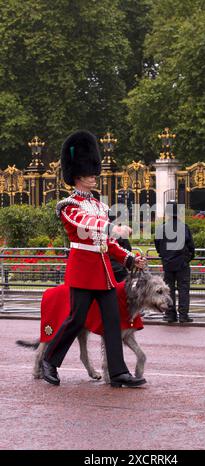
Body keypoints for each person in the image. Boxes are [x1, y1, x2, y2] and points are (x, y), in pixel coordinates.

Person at [42, 130, 147, 387]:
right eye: (89, 174)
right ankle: (50, 360)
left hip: (104, 273)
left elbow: (108, 245)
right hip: (82, 271)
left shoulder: (101, 206)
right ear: (77, 176)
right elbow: (84, 226)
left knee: (112, 321)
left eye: (93, 172)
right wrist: (113, 228)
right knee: (76, 320)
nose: (93, 177)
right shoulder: (68, 206)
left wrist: (131, 258)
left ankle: (118, 372)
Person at [154, 200, 195, 323]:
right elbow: (191, 247)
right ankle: (183, 315)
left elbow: (158, 245)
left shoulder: (161, 228)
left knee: (168, 290)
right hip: (182, 263)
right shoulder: (184, 227)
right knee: (183, 289)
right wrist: (188, 258)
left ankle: (170, 314)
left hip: (167, 263)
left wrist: (163, 255)